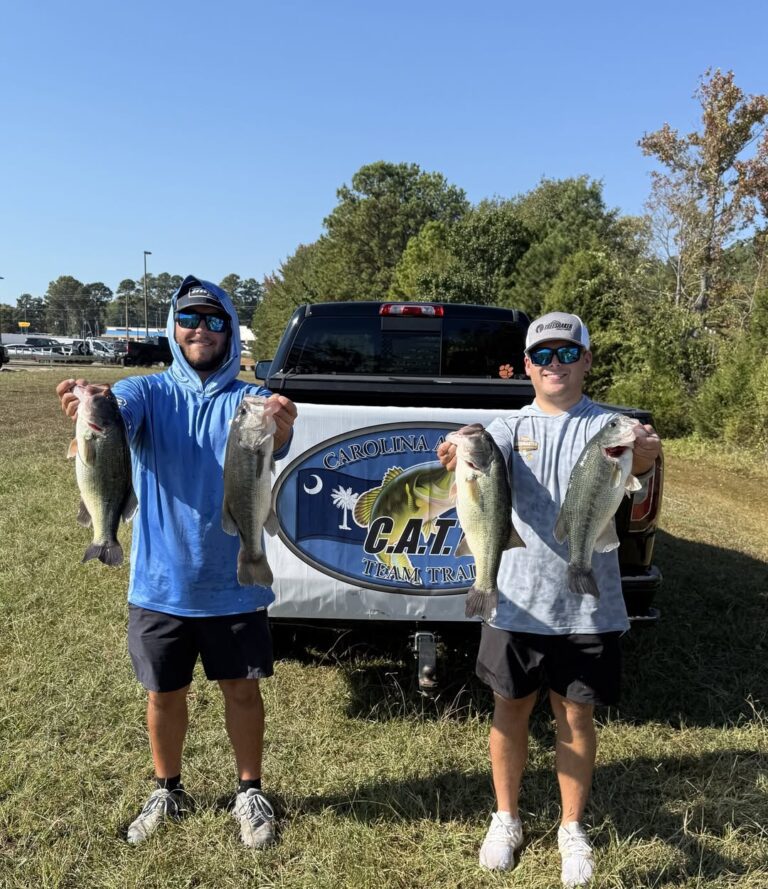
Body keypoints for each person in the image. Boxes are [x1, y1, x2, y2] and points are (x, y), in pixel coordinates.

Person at [57, 276, 297, 848]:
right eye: (190, 319)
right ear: (173, 327)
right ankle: (167, 787)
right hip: (159, 584)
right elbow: (117, 414)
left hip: (234, 584)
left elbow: (274, 441)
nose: (201, 330)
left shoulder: (249, 400)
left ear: (232, 331)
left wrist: (280, 424)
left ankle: (250, 790)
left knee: (242, 689)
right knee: (163, 694)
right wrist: (94, 401)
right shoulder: (146, 393)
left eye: (216, 321)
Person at [437, 311, 661, 887]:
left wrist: (645, 454)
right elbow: (477, 459)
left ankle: (571, 827)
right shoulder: (507, 428)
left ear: (587, 360)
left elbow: (639, 477)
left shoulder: (614, 427)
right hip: (516, 600)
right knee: (509, 709)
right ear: (527, 367)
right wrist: (457, 450)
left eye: (567, 353)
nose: (553, 365)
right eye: (542, 356)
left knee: (576, 715)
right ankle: (505, 817)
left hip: (588, 604)